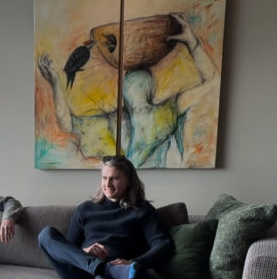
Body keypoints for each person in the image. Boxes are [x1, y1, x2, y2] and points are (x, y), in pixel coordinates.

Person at [37, 12, 217, 168]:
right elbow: (67, 124)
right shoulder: (116, 122)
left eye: (140, 85)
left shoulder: (167, 112)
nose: (134, 92)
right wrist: (55, 82)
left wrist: (192, 42)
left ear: (150, 89)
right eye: (130, 86)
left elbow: (210, 83)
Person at [38, 155, 172, 279]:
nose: (107, 184)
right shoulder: (85, 209)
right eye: (104, 178)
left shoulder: (142, 211)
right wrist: (85, 252)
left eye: (114, 178)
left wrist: (135, 263)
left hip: (118, 274)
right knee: (46, 234)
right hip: (82, 271)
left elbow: (162, 244)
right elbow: (69, 247)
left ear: (128, 181)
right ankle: (102, 267)